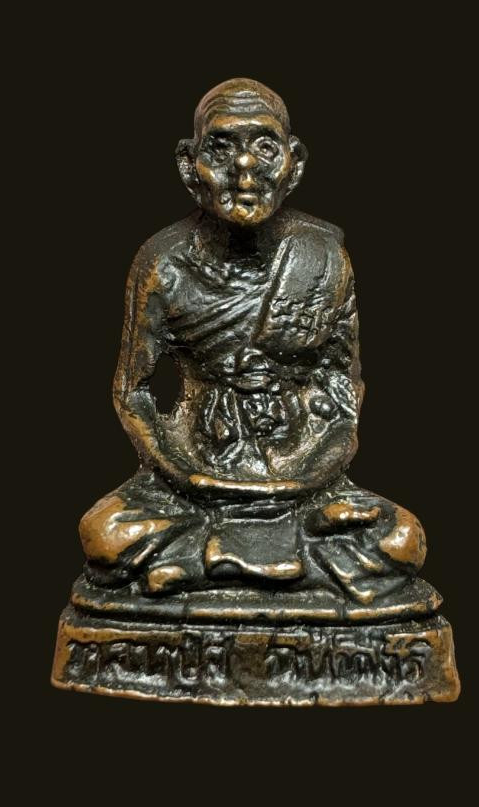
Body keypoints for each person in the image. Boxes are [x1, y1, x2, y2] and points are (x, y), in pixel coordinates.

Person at [79, 79, 426, 607]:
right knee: (104, 535)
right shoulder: (164, 263)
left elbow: (343, 384)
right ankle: (274, 566)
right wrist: (185, 474)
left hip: (300, 482)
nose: (244, 170)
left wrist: (313, 472)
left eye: (264, 147)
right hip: (193, 482)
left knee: (401, 539)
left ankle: (200, 564)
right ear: (188, 165)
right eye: (221, 149)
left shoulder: (321, 258)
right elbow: (133, 392)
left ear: (294, 163)